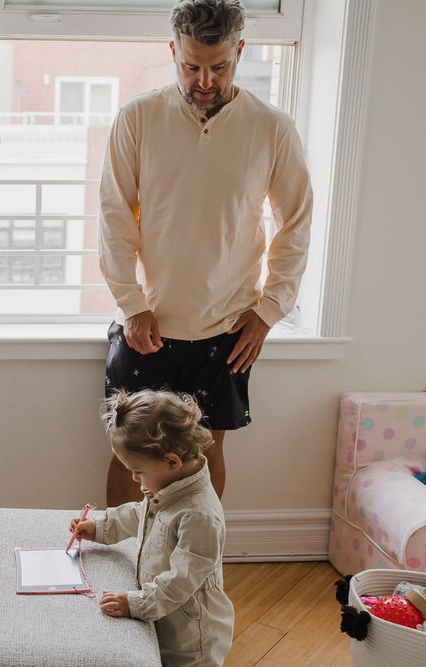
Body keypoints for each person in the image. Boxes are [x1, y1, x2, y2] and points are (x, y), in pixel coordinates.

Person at [98, 0, 314, 505]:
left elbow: (295, 223)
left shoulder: (272, 127)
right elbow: (113, 216)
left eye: (218, 66)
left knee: (206, 452)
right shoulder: (137, 118)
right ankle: (119, 561)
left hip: (226, 329)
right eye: (191, 66)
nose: (205, 80)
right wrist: (132, 304)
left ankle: (198, 566)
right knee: (127, 452)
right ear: (172, 51)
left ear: (240, 51)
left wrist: (268, 312)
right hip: (145, 325)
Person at [70, 389, 234, 666]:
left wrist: (136, 604)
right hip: (164, 617)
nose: (135, 479)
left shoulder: (200, 516)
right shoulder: (169, 487)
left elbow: (181, 581)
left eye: (138, 471)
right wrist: (100, 528)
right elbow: (140, 513)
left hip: (191, 639)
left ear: (172, 461)